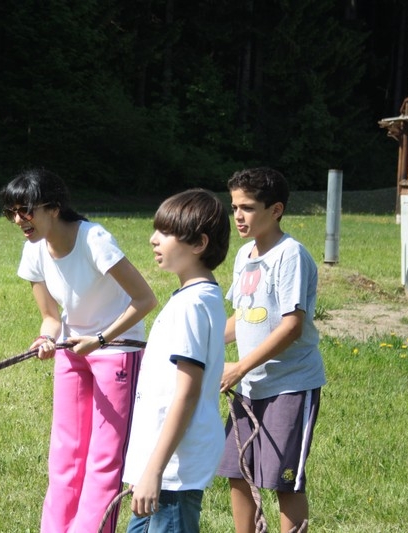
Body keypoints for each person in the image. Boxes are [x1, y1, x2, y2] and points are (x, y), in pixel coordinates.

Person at [0, 168, 158, 533]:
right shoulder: (33, 250)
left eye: (25, 210)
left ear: (53, 208)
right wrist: (45, 340)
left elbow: (145, 299)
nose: (18, 220)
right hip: (72, 352)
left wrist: (101, 340)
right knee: (65, 456)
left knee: (104, 459)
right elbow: (51, 319)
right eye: (11, 212)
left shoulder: (94, 239)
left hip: (117, 349)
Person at [218, 167, 326, 533]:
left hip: (290, 385)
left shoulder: (290, 255)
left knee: (284, 478)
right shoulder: (245, 255)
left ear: (275, 209)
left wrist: (240, 367)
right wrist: (200, 345)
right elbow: (243, 317)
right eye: (234, 206)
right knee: (237, 471)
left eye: (247, 207)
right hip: (250, 384)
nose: (237, 216)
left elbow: (292, 326)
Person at [123, 189, 230, 533]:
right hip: (161, 466)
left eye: (166, 233)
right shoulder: (197, 297)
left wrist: (154, 470)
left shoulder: (192, 305)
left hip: (172, 472)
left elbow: (187, 392)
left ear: (199, 243)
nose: (154, 239)